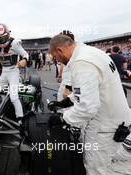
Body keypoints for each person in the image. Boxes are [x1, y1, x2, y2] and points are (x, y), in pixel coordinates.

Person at [48, 34, 131, 175]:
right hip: (118, 122)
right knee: (120, 166)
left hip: (104, 129)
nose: (57, 60)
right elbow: (94, 88)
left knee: (97, 170)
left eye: (56, 57)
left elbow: (88, 108)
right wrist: (66, 102)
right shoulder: (92, 53)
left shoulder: (81, 62)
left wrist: (63, 118)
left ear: (60, 50)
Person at [0, 23, 29, 125]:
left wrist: (25, 60)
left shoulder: (15, 43)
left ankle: (20, 118)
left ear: (8, 35)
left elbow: (25, 54)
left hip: (14, 71)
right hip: (4, 71)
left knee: (14, 96)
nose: (0, 41)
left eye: (2, 38)